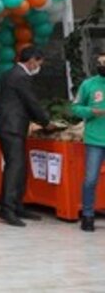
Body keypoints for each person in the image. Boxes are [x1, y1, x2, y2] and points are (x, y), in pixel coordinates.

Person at [0, 46, 51, 227]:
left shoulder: (11, 73)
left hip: (10, 125)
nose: (38, 67)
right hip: (11, 126)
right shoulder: (20, 76)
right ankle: (7, 209)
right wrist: (46, 122)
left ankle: (17, 205)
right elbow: (31, 101)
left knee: (20, 167)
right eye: (38, 64)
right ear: (32, 60)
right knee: (15, 167)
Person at [71, 50, 105, 232]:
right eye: (100, 63)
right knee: (91, 179)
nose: (102, 66)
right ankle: (87, 215)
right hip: (94, 139)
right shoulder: (88, 84)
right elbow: (75, 108)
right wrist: (91, 112)